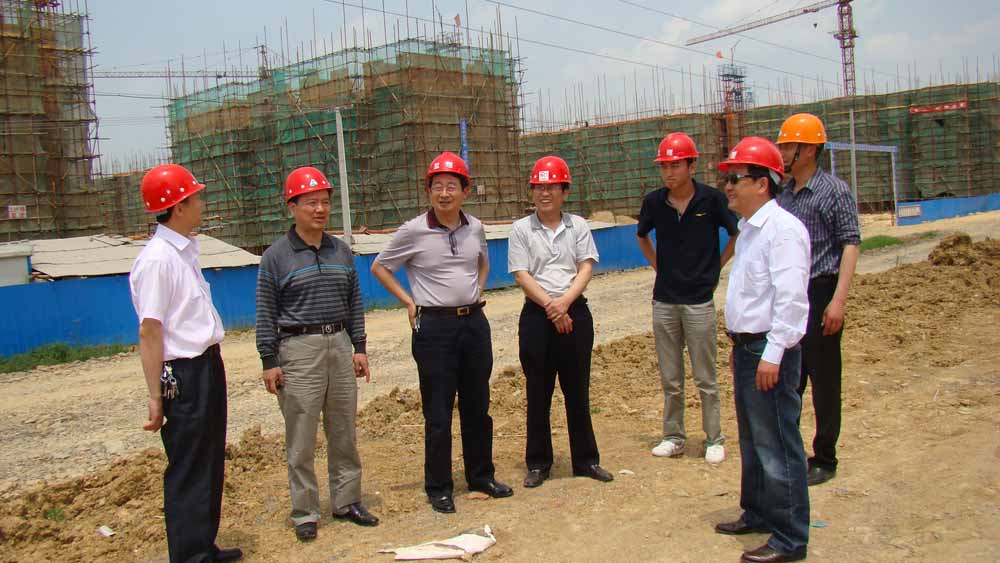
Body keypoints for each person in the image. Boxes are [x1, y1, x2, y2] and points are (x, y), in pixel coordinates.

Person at [371, 151, 513, 514]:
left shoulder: (475, 227)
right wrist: (408, 301)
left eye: (452, 186)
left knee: (478, 406)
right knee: (438, 413)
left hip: (474, 325)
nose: (444, 193)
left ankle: (481, 476)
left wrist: (477, 289)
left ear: (465, 190)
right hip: (434, 328)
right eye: (437, 186)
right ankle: (439, 487)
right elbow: (380, 267)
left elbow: (483, 261)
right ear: (429, 191)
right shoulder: (413, 230)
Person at [256, 167, 378, 542]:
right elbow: (265, 311)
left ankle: (347, 500)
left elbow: (354, 301)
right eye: (311, 203)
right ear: (292, 206)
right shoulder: (275, 257)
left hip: (338, 344)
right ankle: (305, 511)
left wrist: (359, 347)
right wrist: (269, 361)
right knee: (302, 436)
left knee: (343, 430)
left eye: (325, 202)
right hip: (298, 349)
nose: (320, 209)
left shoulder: (341, 251)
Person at [129, 164, 242, 562]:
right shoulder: (158, 260)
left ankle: (203, 546)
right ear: (178, 207)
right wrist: (155, 395)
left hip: (206, 365)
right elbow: (150, 330)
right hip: (184, 372)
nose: (201, 204)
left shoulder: (183, 252)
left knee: (209, 459)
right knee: (190, 464)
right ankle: (190, 555)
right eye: (196, 198)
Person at [713, 137, 811, 563]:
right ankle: (757, 511)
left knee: (777, 443)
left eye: (736, 178)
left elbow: (791, 300)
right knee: (753, 438)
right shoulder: (751, 230)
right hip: (748, 348)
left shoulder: (783, 231)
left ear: (763, 183)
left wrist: (772, 354)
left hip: (769, 351)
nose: (728, 186)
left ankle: (789, 537)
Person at [508, 155, 613, 488]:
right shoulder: (521, 229)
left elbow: (586, 267)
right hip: (536, 317)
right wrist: (551, 307)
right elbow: (521, 273)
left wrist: (564, 303)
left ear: (564, 191)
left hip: (574, 313)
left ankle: (586, 460)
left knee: (577, 390)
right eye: (539, 187)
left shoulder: (577, 226)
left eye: (552, 187)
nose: (544, 193)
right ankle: (539, 463)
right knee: (538, 391)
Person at [636, 132, 739, 464]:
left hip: (699, 301)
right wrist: (659, 267)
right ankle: (673, 436)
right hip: (664, 300)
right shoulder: (654, 202)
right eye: (664, 166)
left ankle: (714, 438)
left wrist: (716, 267)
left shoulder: (712, 200)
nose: (668, 172)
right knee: (671, 377)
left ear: (692, 166)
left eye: (675, 165)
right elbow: (642, 236)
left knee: (705, 376)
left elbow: (736, 234)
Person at [776, 113, 861, 487]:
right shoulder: (782, 194)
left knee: (824, 380)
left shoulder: (834, 191)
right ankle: (789, 452)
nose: (782, 153)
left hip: (820, 289)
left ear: (808, 150)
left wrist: (838, 300)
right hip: (790, 294)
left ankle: (825, 456)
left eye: (788, 146)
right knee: (790, 378)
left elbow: (850, 244)